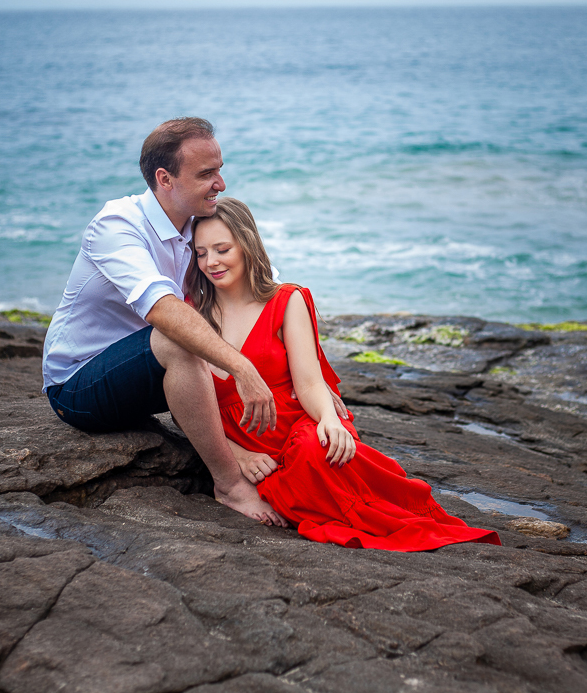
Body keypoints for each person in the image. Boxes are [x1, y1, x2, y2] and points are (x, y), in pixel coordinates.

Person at [186, 198, 501, 551]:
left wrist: (328, 420)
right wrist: (236, 455)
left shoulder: (287, 300)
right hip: (245, 444)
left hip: (296, 426)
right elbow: (186, 402)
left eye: (221, 249)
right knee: (293, 470)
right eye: (200, 253)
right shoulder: (190, 315)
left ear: (247, 245)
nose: (210, 262)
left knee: (316, 448)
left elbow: (308, 382)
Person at [43, 117, 311, 527]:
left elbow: (243, 300)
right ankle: (229, 484)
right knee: (182, 339)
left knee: (207, 341)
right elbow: (163, 310)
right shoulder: (117, 225)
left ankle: (238, 449)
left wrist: (317, 392)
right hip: (77, 387)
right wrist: (240, 367)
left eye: (220, 169)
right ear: (165, 179)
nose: (220, 183)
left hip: (148, 377)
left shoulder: (196, 228)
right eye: (207, 174)